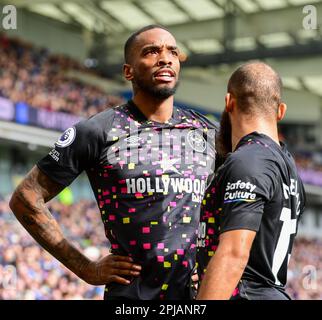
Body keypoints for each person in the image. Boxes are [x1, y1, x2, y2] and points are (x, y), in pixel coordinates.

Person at [9, 24, 217, 300]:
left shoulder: (207, 132)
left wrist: (214, 261)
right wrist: (86, 268)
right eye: (151, 51)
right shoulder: (98, 131)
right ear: (128, 71)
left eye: (172, 52)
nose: (165, 58)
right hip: (131, 298)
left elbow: (236, 202)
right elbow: (26, 197)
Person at [196, 62, 306, 300]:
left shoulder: (249, 160)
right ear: (280, 111)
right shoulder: (289, 168)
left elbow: (233, 255)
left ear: (229, 102)